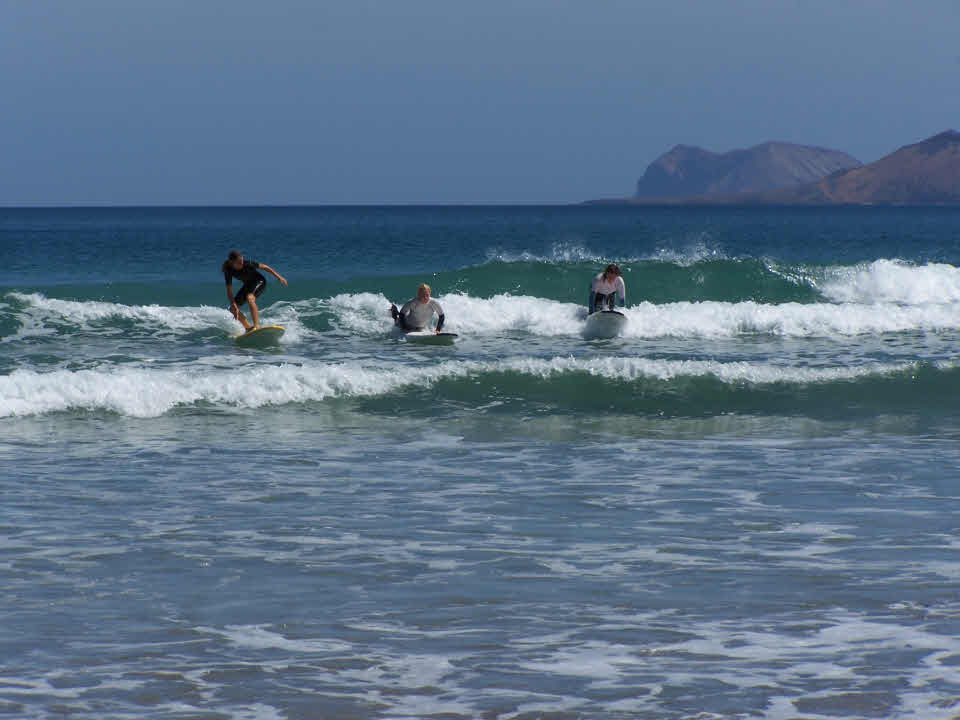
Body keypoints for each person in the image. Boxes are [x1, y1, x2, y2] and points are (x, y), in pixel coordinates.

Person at [222, 250, 287, 331]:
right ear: (232, 263)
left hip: (259, 281)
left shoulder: (248, 264)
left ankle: (256, 326)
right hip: (248, 285)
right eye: (239, 262)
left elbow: (265, 267)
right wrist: (233, 304)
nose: (241, 263)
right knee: (232, 309)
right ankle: (248, 328)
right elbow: (229, 290)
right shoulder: (228, 271)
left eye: (242, 260)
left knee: (250, 298)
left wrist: (279, 277)